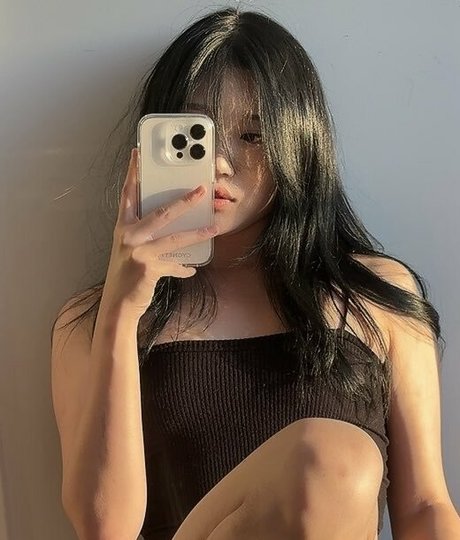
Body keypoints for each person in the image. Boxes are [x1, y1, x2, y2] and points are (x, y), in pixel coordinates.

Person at [50, 6, 460, 540]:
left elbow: (426, 506)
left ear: (297, 144)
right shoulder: (91, 321)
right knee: (326, 454)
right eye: (197, 135)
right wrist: (121, 313)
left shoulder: (376, 299)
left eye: (252, 135)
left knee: (331, 460)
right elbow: (104, 529)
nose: (220, 163)